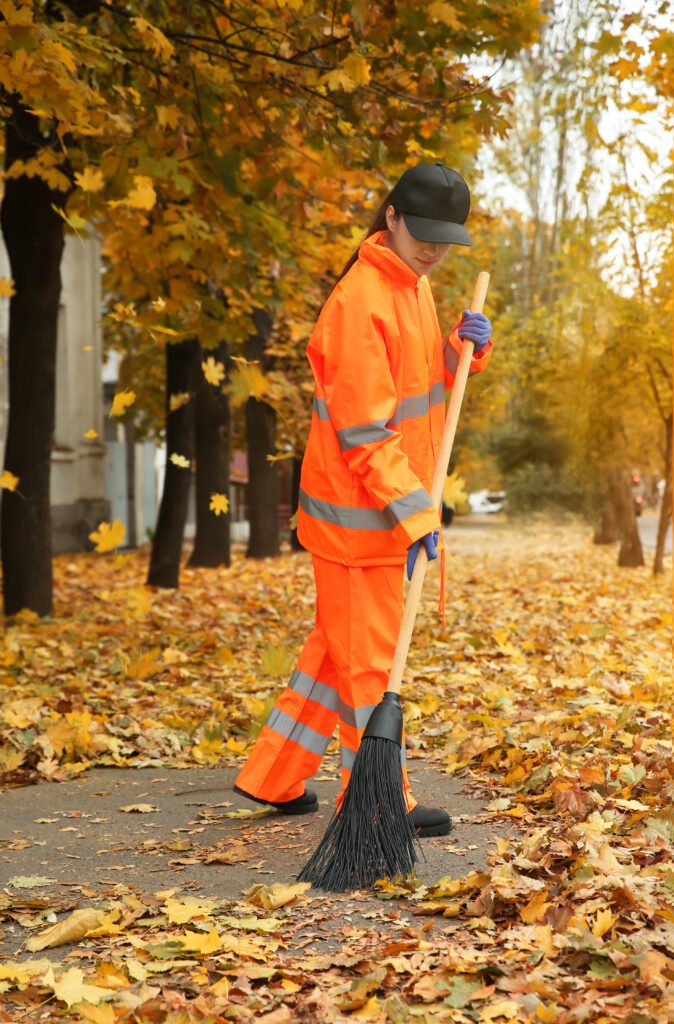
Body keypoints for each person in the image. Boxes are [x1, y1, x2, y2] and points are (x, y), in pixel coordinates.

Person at [234, 162, 493, 838]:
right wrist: (416, 514)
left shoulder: (411, 288)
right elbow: (365, 434)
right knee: (372, 667)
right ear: (391, 219)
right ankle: (377, 801)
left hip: (378, 516)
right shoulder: (359, 302)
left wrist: (457, 353)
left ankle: (273, 777)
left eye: (445, 239)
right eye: (423, 236)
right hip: (361, 522)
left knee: (333, 657)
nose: (433, 250)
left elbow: (411, 391)